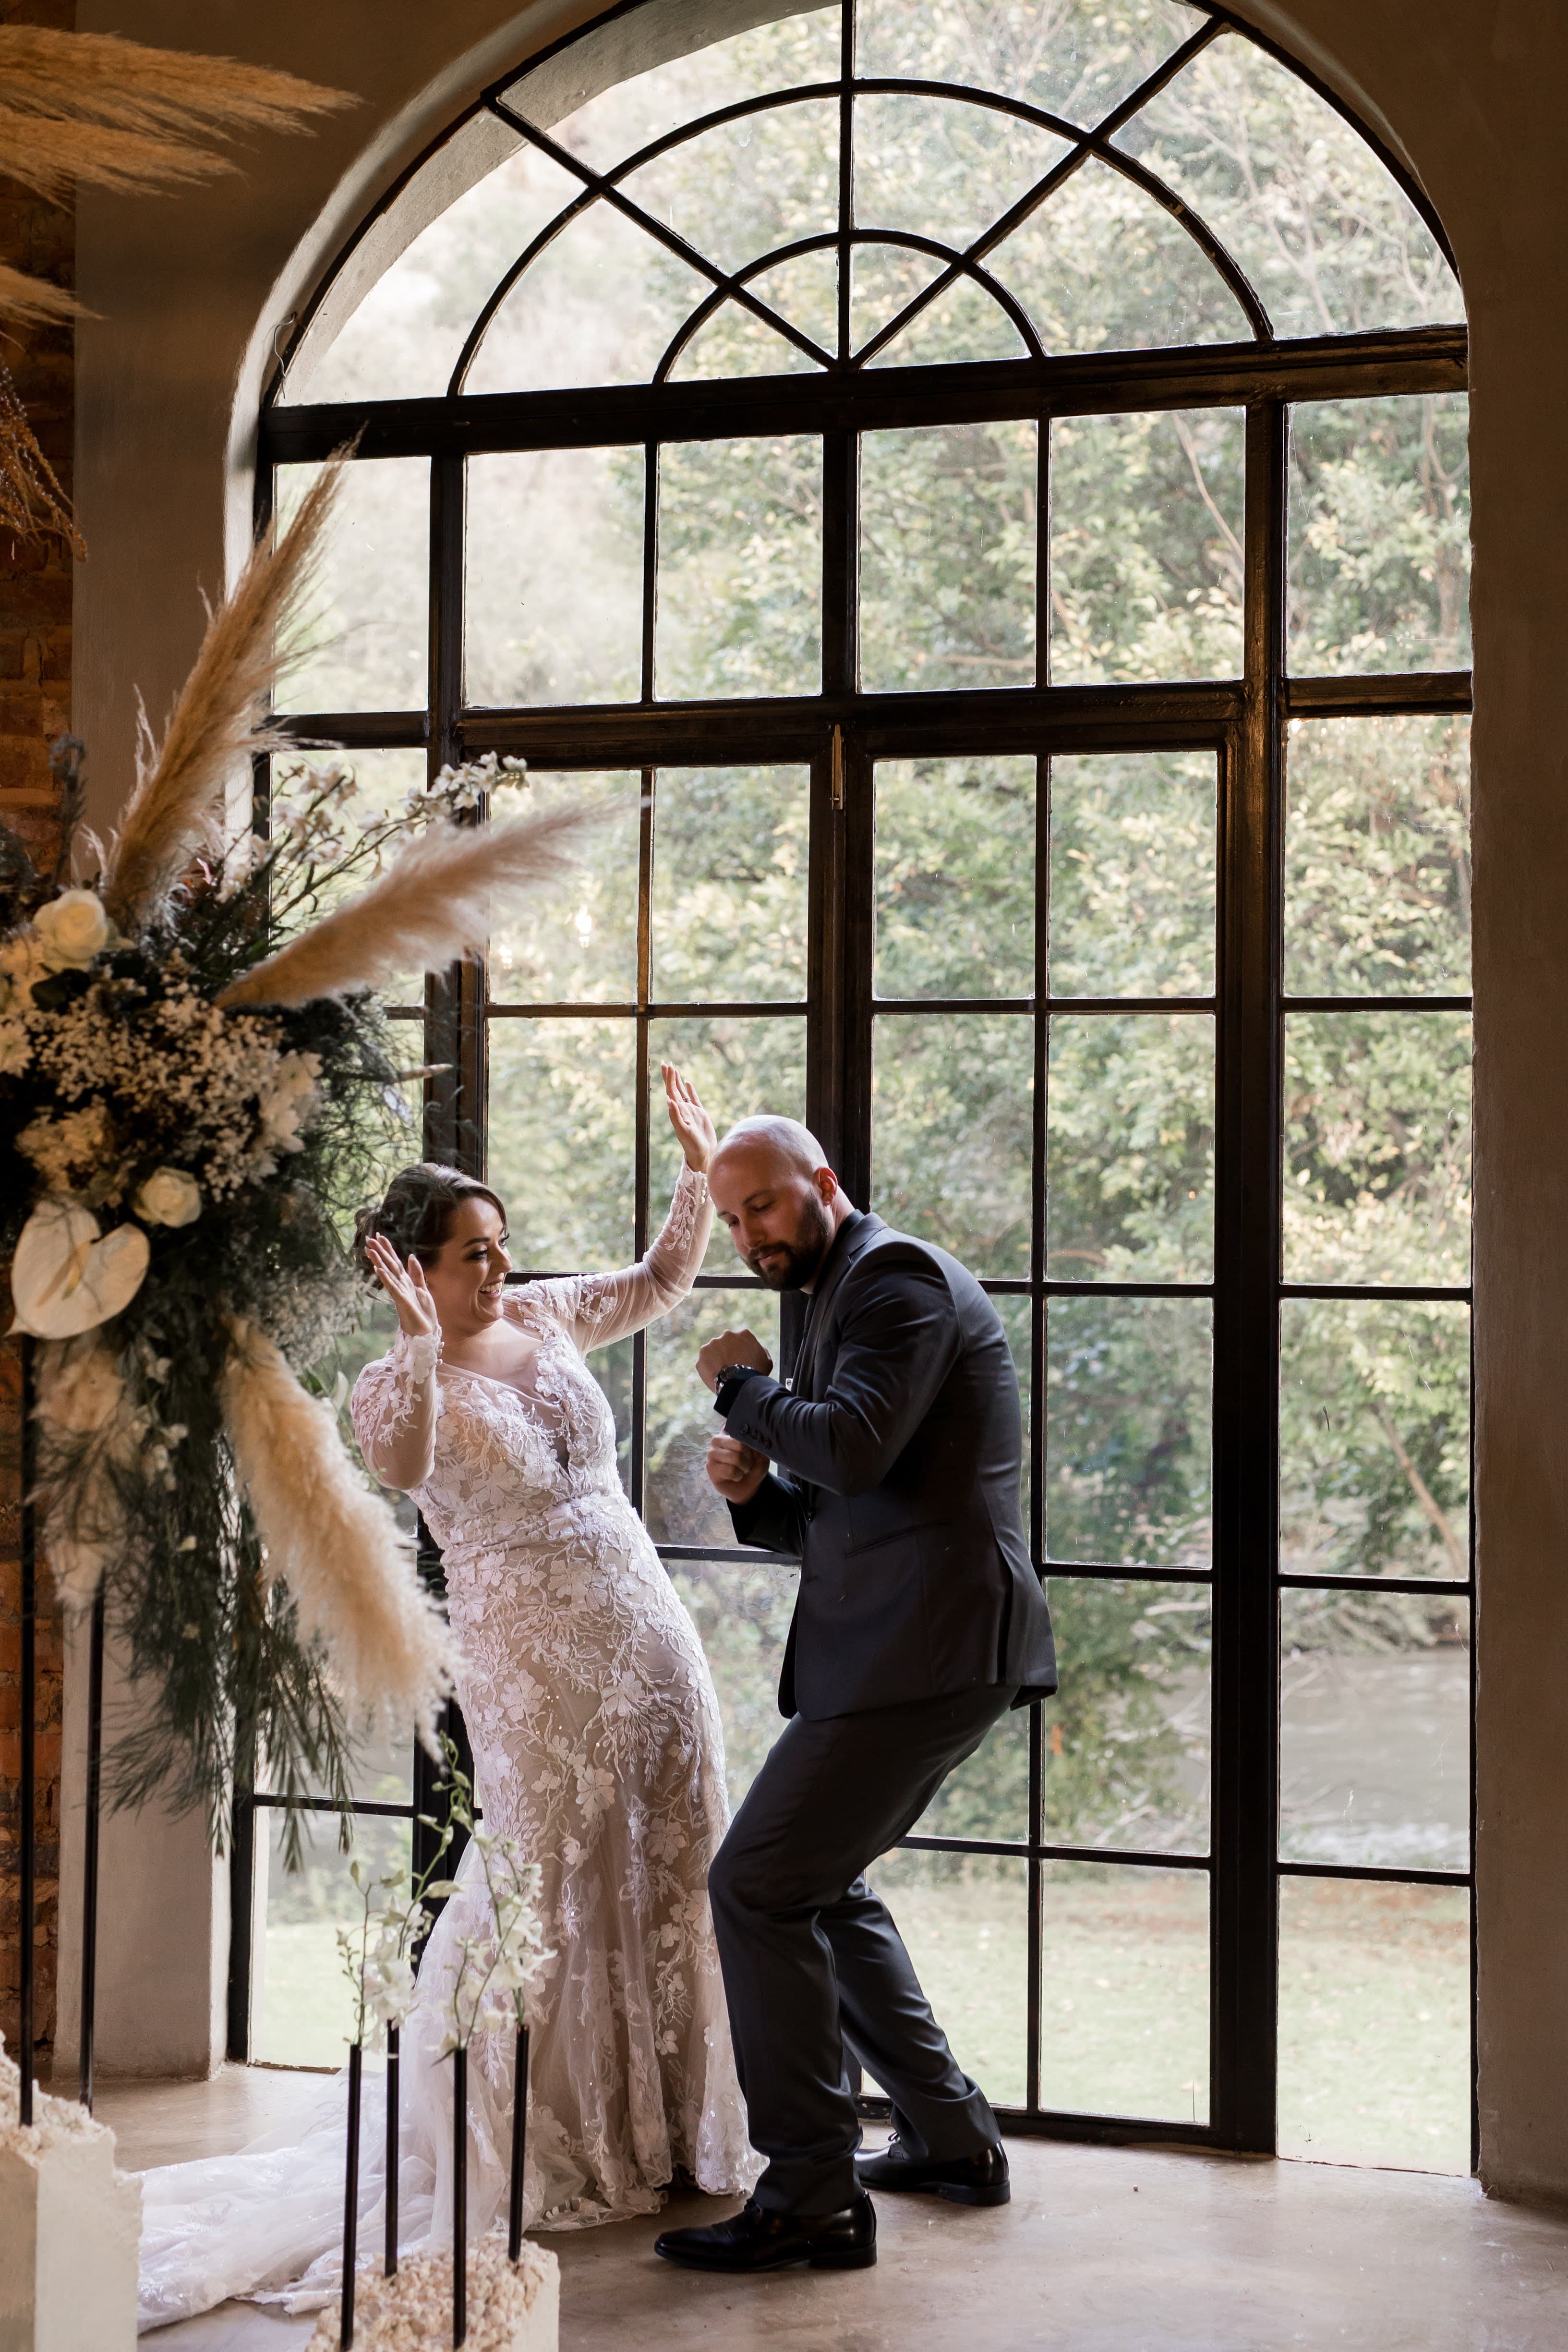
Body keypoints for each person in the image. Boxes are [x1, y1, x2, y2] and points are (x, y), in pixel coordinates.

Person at [135, 1065, 760, 2329]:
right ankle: (538, 2130)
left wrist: (695, 1170)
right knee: (543, 1875)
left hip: (647, 1634)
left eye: (499, 1243)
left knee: (675, 1860)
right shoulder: (389, 1382)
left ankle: (672, 2131)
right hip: (530, 1659)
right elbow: (407, 1464)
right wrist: (423, 1348)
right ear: (411, 1266)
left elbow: (650, 1289)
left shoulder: (539, 1314)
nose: (497, 1264)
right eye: (473, 1250)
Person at [653, 1115, 1056, 2278]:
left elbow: (858, 1447)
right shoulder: (838, 1297)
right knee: (815, 1887)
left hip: (928, 1647)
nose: (747, 1234)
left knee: (759, 1884)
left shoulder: (896, 1279)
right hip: (902, 1641)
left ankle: (813, 2195)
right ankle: (948, 2136)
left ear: (822, 1184)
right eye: (732, 1218)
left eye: (763, 1206)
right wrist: (753, 1497)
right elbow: (846, 1511)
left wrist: (740, 1388)